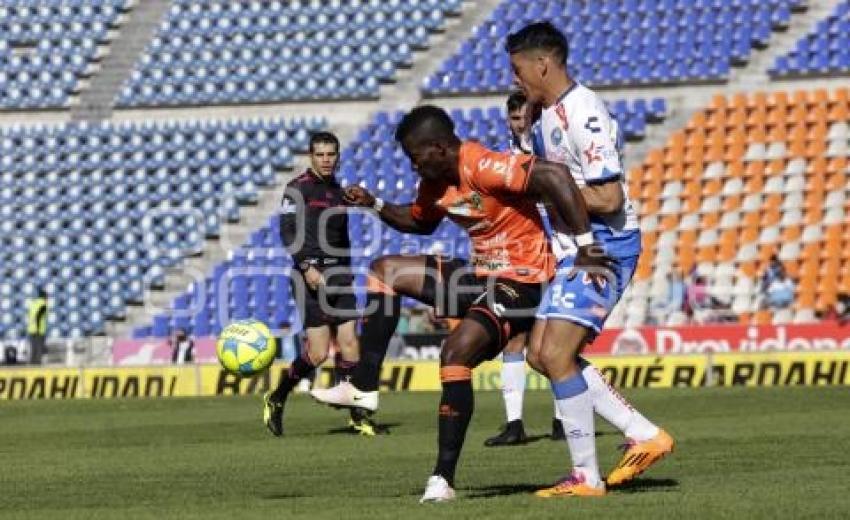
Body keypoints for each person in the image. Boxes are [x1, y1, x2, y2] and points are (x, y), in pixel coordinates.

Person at [312, 103, 611, 502]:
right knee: (384, 270)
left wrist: (587, 245)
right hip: (483, 276)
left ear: (438, 147)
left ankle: (442, 479)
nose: (412, 165)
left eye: (415, 156)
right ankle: (363, 387)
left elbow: (554, 175)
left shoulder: (482, 165)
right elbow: (420, 222)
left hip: (523, 280)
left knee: (454, 352)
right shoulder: (435, 183)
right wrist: (375, 205)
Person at [507, 22, 673, 497]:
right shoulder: (542, 116)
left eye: (519, 70)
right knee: (541, 354)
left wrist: (545, 195)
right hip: (574, 249)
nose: (516, 80)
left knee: (554, 353)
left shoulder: (584, 113)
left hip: (603, 248)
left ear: (543, 65)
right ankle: (642, 434)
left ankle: (586, 476)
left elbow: (606, 198)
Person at [263, 131, 374, 437]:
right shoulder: (296, 188)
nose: (326, 160)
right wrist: (306, 266)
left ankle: (357, 415)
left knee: (351, 343)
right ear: (311, 156)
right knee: (318, 354)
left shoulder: (340, 192)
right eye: (320, 154)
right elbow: (287, 232)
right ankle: (277, 396)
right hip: (308, 277)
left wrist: (347, 270)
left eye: (331, 154)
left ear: (338, 156)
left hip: (339, 276)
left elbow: (343, 237)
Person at [485, 90, 565, 447]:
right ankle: (514, 423)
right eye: (515, 119)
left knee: (560, 337)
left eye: (525, 118)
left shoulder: (547, 149)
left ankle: (564, 418)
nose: (521, 124)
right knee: (515, 337)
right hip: (525, 256)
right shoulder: (505, 159)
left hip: (560, 250)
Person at [26, 288, 48, 365]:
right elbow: (38, 316)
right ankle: (37, 367)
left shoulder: (33, 304)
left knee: (33, 349)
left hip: (31, 330)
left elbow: (29, 315)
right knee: (39, 350)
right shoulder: (43, 305)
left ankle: (31, 366)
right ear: (45, 297)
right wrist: (38, 328)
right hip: (39, 330)